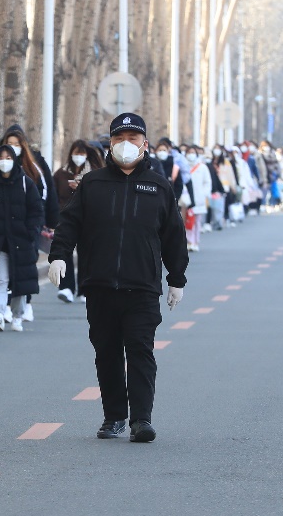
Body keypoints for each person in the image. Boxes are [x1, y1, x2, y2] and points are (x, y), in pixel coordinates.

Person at [48, 113, 189, 444]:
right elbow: (69, 223)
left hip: (142, 287)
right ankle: (114, 417)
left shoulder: (158, 186)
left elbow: (174, 236)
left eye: (132, 138)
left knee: (140, 351)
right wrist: (58, 255)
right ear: (110, 144)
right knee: (107, 353)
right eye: (119, 138)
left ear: (144, 144)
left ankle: (141, 419)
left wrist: (176, 279)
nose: (126, 144)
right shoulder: (93, 184)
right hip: (100, 285)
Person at [0, 144, 45, 332]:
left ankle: (17, 316)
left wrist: (31, 232)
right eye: (1, 158)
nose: (4, 162)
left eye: (8, 158)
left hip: (20, 243)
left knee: (19, 281)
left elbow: (36, 211)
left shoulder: (26, 183)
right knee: (0, 279)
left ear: (14, 160)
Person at [1, 125, 59, 323]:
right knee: (5, 266)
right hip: (5, 225)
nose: (12, 147)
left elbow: (47, 194)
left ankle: (26, 303)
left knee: (26, 264)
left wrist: (50, 222)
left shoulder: (35, 165)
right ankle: (5, 305)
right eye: (9, 143)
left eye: (16, 144)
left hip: (30, 225)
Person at [51, 140, 102, 301]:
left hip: (89, 219)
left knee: (86, 253)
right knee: (64, 250)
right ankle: (66, 288)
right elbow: (53, 196)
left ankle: (84, 288)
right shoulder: (61, 174)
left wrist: (81, 187)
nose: (78, 157)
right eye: (76, 153)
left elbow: (100, 196)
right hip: (66, 219)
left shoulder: (94, 174)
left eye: (81, 153)